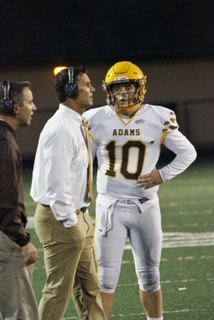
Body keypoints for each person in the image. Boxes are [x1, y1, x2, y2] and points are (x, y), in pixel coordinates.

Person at [83, 61, 197, 320]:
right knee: (107, 278)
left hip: (146, 205)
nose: (122, 94)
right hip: (110, 206)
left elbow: (188, 152)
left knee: (150, 275)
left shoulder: (158, 116)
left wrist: (162, 174)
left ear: (140, 87)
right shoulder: (94, 118)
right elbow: (85, 163)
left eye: (127, 87)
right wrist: (82, 197)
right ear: (108, 91)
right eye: (117, 88)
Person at [30, 66, 106, 320]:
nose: (92, 89)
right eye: (86, 85)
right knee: (58, 291)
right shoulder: (62, 128)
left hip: (77, 216)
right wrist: (71, 221)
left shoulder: (75, 123)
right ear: (71, 90)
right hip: (61, 217)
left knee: (90, 289)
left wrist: (81, 219)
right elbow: (57, 183)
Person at [0, 80, 38, 319]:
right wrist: (21, 239)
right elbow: (6, 195)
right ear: (15, 107)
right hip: (6, 236)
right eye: (30, 102)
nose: (33, 107)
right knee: (20, 312)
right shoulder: (4, 141)